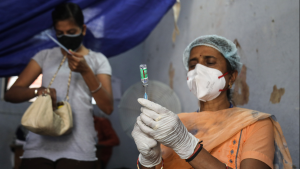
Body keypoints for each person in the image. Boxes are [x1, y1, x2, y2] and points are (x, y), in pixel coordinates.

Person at [131, 35, 293, 169]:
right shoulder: (174, 123)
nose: (198, 71)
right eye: (192, 65)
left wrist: (187, 146)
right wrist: (148, 159)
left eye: (210, 62)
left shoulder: (255, 123)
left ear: (232, 77)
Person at [4, 3, 113, 169]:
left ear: (83, 30)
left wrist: (86, 72)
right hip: (38, 146)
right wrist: (37, 91)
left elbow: (107, 107)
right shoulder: (44, 56)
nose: (65, 37)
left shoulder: (98, 60)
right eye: (60, 33)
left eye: (71, 32)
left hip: (79, 149)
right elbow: (11, 94)